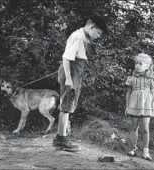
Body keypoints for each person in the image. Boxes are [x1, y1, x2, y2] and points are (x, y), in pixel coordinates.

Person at [53, 15, 108, 152]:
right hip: (70, 74)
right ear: (92, 27)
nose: (99, 36)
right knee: (66, 106)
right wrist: (69, 79)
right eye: (98, 32)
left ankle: (61, 137)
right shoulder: (78, 37)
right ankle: (61, 139)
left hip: (75, 73)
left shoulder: (83, 37)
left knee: (68, 105)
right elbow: (66, 58)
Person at [125, 53, 154, 161]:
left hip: (146, 105)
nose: (137, 66)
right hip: (134, 104)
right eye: (136, 63)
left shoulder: (150, 79)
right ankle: (133, 148)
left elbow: (152, 93)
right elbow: (128, 93)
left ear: (147, 66)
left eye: (140, 64)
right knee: (134, 127)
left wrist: (151, 106)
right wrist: (127, 106)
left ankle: (145, 151)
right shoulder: (132, 78)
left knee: (145, 129)